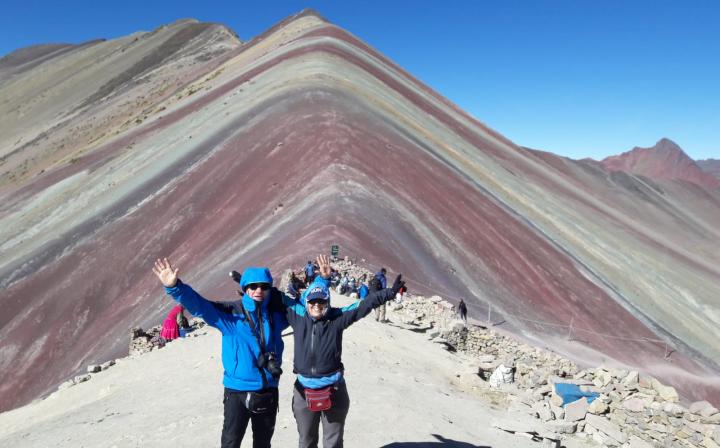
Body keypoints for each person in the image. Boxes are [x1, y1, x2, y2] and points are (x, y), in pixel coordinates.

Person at [153, 258, 287, 448]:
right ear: (245, 288)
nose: (258, 290)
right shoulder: (231, 315)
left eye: (264, 286)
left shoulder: (278, 315)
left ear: (269, 289)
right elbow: (201, 306)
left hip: (268, 390)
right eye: (253, 286)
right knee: (230, 443)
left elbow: (311, 310)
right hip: (236, 392)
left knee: (263, 444)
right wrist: (175, 287)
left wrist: (322, 281)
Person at [272, 255, 403, 448]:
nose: (317, 306)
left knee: (333, 443)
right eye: (313, 302)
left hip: (333, 391)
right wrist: (251, 285)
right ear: (306, 302)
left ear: (328, 302)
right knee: (306, 441)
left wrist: (389, 293)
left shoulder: (337, 318)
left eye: (321, 302)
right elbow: (275, 295)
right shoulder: (297, 315)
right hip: (303, 391)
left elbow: (364, 305)